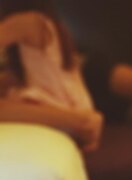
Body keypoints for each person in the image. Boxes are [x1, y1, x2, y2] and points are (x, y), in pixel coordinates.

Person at [0, 2, 103, 151]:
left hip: (65, 108)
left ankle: (82, 121)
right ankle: (81, 121)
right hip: (74, 104)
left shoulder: (26, 21)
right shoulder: (48, 22)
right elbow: (35, 74)